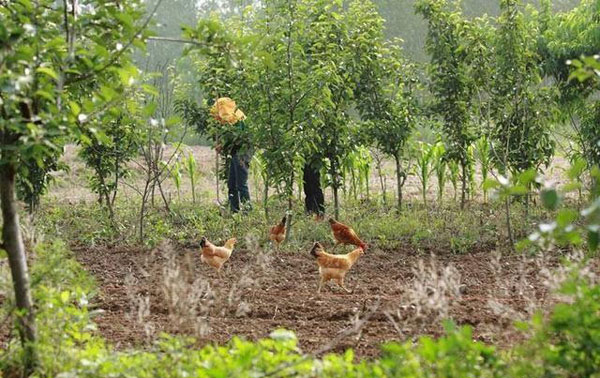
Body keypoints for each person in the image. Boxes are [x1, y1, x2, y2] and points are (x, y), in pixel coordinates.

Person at [211, 97, 252, 213]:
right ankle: (234, 211)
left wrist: (223, 145)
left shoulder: (238, 118)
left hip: (242, 152)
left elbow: (238, 138)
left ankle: (247, 211)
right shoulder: (232, 118)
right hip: (236, 153)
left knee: (241, 184)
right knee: (232, 184)